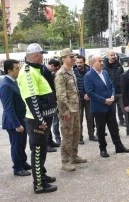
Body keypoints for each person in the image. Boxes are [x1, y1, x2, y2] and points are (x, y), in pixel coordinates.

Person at [17, 43, 57, 194]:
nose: (43, 56)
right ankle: (39, 184)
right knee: (38, 151)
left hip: (43, 119)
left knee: (42, 151)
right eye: (41, 54)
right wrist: (40, 121)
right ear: (35, 56)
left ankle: (42, 176)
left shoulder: (36, 70)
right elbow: (31, 99)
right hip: (36, 121)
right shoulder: (27, 72)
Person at [84, 54, 129, 158]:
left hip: (110, 105)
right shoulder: (88, 76)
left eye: (102, 60)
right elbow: (90, 92)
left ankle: (119, 147)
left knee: (114, 127)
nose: (102, 63)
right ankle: (103, 149)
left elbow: (111, 85)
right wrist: (104, 100)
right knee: (101, 130)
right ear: (92, 63)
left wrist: (112, 96)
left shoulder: (105, 72)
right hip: (99, 107)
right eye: (99, 61)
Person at [55, 48, 87, 172]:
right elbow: (61, 96)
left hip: (75, 109)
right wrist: (65, 112)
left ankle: (74, 156)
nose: (74, 59)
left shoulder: (71, 71)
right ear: (64, 59)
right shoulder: (61, 74)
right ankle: (65, 161)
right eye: (71, 57)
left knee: (75, 134)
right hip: (67, 111)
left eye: (74, 57)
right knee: (67, 136)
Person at [0, 59, 31, 176]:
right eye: (17, 68)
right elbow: (8, 107)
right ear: (9, 71)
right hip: (13, 121)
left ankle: (23, 162)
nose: (19, 70)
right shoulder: (6, 85)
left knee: (22, 143)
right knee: (16, 145)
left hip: (21, 118)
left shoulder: (13, 81)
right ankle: (17, 168)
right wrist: (16, 124)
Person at [73, 55, 98, 144]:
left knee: (90, 118)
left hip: (89, 98)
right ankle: (79, 137)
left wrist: (89, 94)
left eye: (80, 62)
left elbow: (93, 83)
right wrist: (83, 95)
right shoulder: (73, 72)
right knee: (79, 119)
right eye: (77, 62)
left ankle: (91, 135)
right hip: (78, 98)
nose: (79, 64)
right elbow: (74, 86)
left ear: (84, 62)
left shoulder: (90, 71)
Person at [103, 50, 127, 129]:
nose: (113, 57)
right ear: (108, 56)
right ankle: (114, 127)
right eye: (111, 55)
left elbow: (123, 76)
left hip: (120, 91)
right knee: (112, 111)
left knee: (122, 109)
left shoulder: (119, 65)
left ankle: (122, 122)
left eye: (114, 55)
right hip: (110, 92)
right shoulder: (104, 66)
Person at [42, 59, 61, 152]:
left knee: (49, 123)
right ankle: (46, 145)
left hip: (50, 101)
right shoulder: (43, 72)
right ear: (52, 65)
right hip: (45, 102)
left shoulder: (49, 72)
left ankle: (50, 141)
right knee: (45, 124)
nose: (56, 71)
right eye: (56, 68)